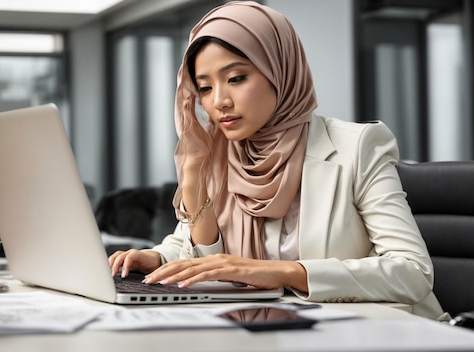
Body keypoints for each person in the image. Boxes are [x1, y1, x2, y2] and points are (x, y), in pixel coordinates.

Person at [109, 1, 447, 320]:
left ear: (279, 70)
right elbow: (205, 257)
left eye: (236, 78)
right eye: (205, 88)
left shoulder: (356, 147)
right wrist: (160, 253)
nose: (220, 102)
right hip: (271, 331)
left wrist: (283, 272)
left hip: (384, 332)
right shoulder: (219, 153)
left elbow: (413, 272)